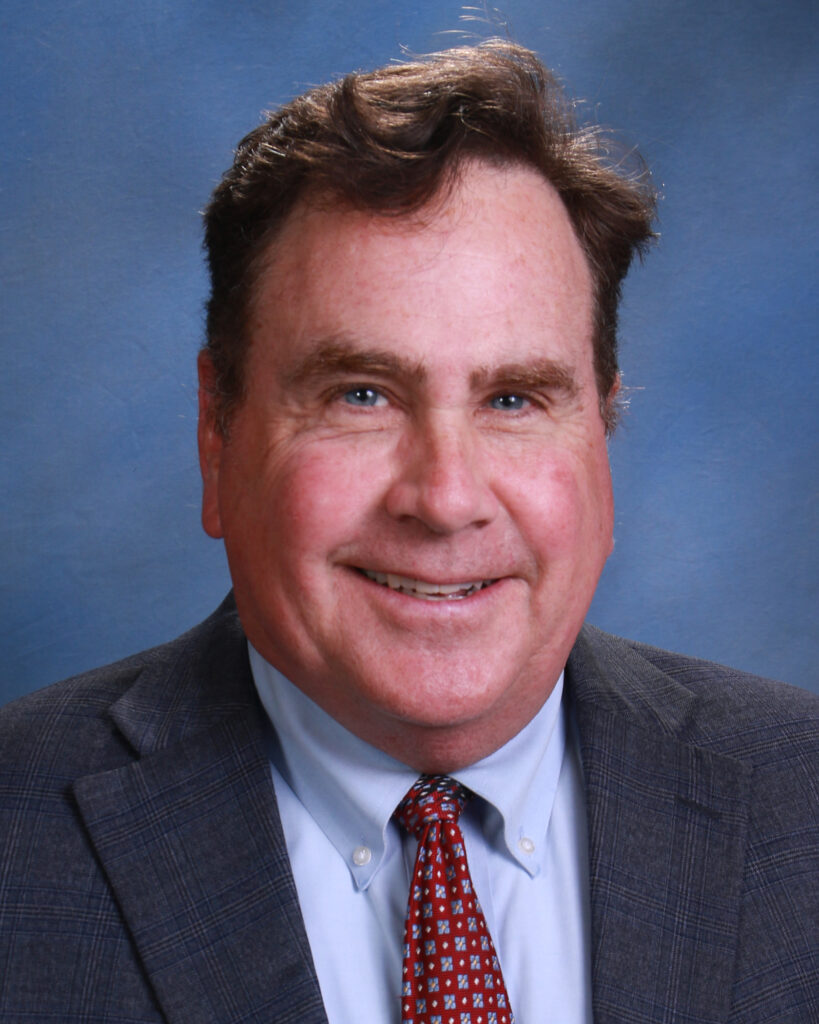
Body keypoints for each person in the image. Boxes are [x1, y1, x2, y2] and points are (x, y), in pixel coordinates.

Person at [1, 40, 816, 1024]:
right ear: (218, 433)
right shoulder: (18, 841)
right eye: (361, 394)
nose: (444, 497)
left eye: (514, 399)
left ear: (601, 435)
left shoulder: (799, 808)